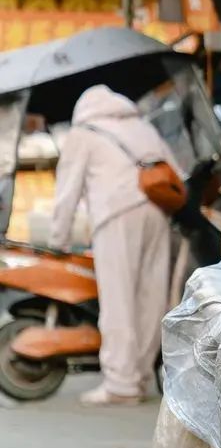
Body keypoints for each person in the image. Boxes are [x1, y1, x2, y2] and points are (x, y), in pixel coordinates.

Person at [48, 85, 177, 406]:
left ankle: (121, 383)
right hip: (157, 211)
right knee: (151, 297)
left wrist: (58, 240)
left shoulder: (85, 132)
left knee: (119, 298)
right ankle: (141, 375)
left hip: (116, 214)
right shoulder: (143, 126)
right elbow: (173, 168)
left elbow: (68, 189)